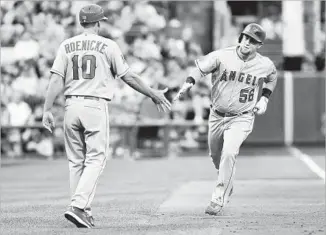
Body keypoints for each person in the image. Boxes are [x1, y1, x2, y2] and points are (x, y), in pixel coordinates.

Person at [42, 4, 171, 228]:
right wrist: (152, 93)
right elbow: (128, 77)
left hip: (70, 106)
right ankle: (78, 206)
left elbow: (55, 80)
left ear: (82, 23)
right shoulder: (108, 45)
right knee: (96, 159)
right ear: (99, 23)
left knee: (76, 162)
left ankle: (83, 210)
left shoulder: (66, 45)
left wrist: (46, 109)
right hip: (94, 105)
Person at [173, 23, 278, 215]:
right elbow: (199, 69)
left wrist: (264, 98)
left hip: (242, 117)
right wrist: (189, 82)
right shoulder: (222, 55)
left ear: (259, 45)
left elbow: (272, 77)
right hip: (216, 115)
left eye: (253, 41)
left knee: (229, 153)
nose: (247, 43)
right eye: (245, 38)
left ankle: (218, 198)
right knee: (216, 156)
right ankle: (227, 182)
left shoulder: (265, 64)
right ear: (241, 37)